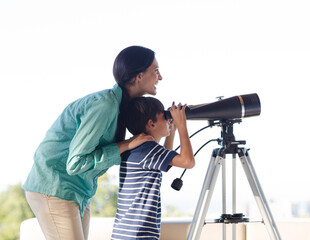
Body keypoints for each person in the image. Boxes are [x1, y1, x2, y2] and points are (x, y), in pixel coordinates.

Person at [22, 46, 165, 240]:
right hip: (55, 186)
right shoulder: (105, 105)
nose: (160, 77)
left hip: (80, 190)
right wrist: (126, 144)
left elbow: (146, 145)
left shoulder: (123, 108)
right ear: (139, 76)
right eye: (155, 70)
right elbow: (75, 163)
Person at [111, 97, 195, 240]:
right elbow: (188, 162)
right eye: (165, 117)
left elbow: (165, 160)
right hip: (139, 234)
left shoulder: (138, 147)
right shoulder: (148, 150)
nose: (168, 120)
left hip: (125, 232)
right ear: (151, 124)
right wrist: (182, 125)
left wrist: (172, 130)